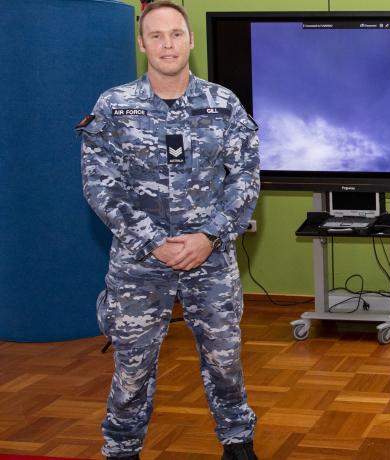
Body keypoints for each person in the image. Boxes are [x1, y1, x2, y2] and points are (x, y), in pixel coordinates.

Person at [77, 1, 260, 459]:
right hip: (140, 264)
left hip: (210, 258)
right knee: (132, 365)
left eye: (176, 34)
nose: (167, 44)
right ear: (142, 44)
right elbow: (101, 185)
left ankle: (237, 442)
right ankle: (121, 448)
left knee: (224, 360)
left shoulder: (223, 104)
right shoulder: (113, 107)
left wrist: (209, 235)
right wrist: (152, 242)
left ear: (190, 40)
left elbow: (245, 178)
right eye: (156, 36)